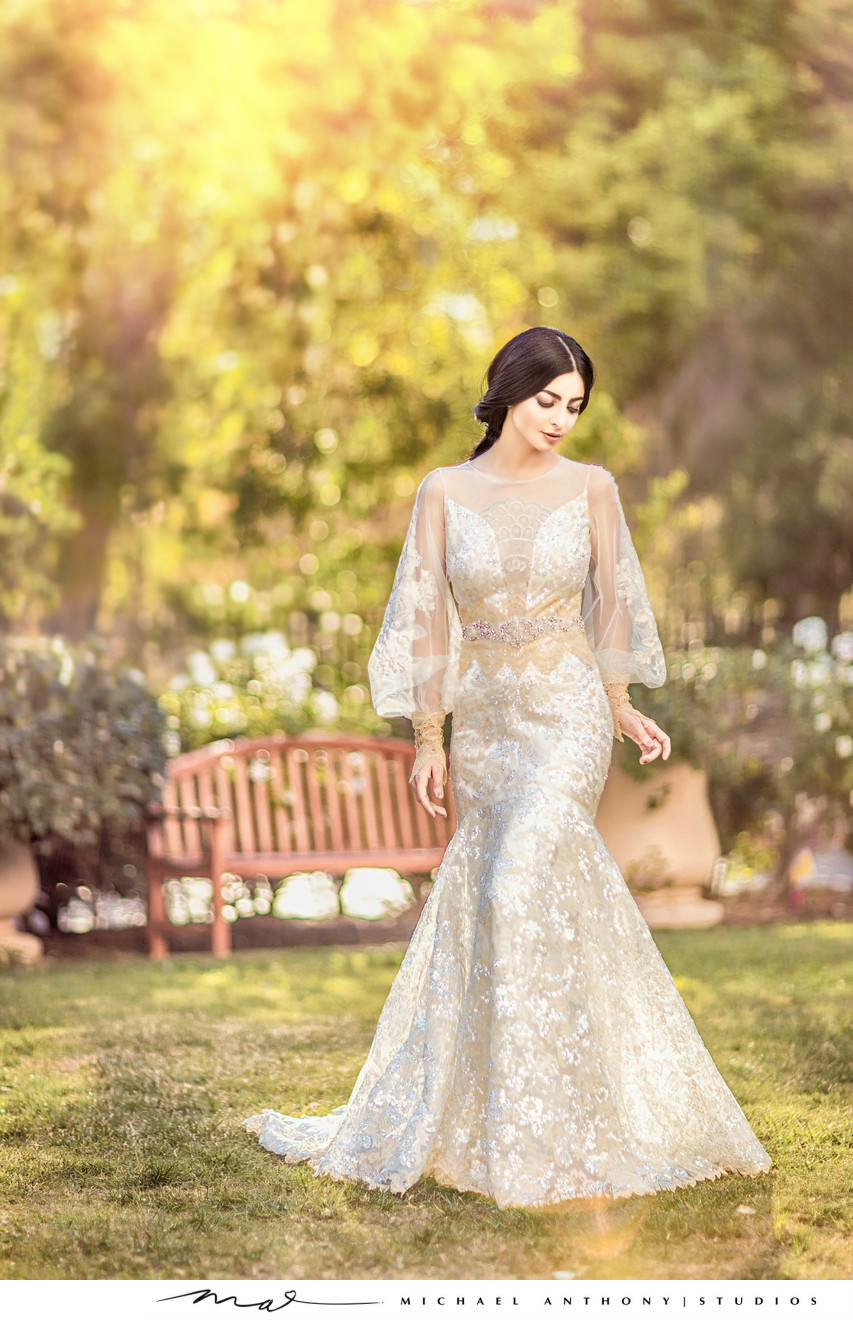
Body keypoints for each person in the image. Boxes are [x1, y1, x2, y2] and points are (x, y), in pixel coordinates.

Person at [243, 326, 771, 1208]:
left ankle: (548, 1123)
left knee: (519, 877)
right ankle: (485, 1111)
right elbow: (424, 618)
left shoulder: (593, 490)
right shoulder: (443, 492)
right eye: (546, 401)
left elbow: (610, 607)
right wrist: (427, 737)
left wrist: (617, 702)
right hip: (485, 721)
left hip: (566, 712)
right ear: (507, 394)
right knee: (493, 891)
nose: (562, 420)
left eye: (574, 406)